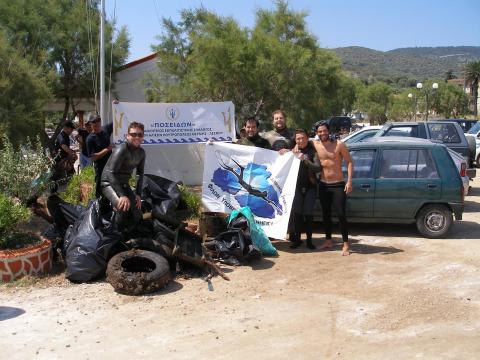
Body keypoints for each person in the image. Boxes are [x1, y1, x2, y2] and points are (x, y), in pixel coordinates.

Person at [313, 121, 353, 256]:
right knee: (326, 215)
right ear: (317, 133)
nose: (322, 133)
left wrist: (349, 181)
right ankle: (328, 241)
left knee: (341, 215)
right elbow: (299, 145)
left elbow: (349, 162)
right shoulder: (315, 144)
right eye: (319, 131)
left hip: (338, 184)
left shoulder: (339, 144)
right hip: (323, 184)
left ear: (328, 131)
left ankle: (346, 244)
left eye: (324, 131)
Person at [101, 122, 146, 232]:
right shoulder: (122, 149)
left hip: (123, 184)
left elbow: (140, 175)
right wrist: (122, 195)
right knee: (123, 207)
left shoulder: (141, 153)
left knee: (136, 212)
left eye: (139, 135)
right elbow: (110, 173)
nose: (136, 137)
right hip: (108, 183)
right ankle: (115, 234)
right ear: (127, 135)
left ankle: (128, 236)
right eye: (133, 134)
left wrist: (138, 195)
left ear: (143, 136)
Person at [289, 129, 321, 250]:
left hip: (310, 187)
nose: (301, 140)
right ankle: (297, 240)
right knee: (297, 214)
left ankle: (309, 240)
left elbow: (318, 168)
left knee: (308, 214)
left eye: (303, 138)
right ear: (295, 140)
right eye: (298, 139)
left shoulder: (313, 151)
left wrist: (305, 160)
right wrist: (284, 152)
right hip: (296, 187)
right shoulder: (292, 150)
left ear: (308, 138)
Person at [86, 115, 114, 198]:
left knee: (112, 187)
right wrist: (107, 149)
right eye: (94, 121)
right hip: (100, 168)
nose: (96, 123)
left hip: (111, 166)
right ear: (91, 124)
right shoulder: (90, 139)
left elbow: (118, 119)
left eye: (98, 120)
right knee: (100, 189)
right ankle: (98, 205)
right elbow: (93, 157)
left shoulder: (106, 129)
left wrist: (117, 104)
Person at [52, 120, 78, 187]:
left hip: (64, 158)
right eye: (71, 129)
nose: (72, 130)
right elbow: (63, 146)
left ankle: (71, 187)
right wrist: (72, 153)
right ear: (66, 128)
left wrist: (72, 152)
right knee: (56, 176)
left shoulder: (66, 136)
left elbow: (66, 148)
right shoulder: (61, 135)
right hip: (59, 159)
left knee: (71, 172)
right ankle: (53, 191)